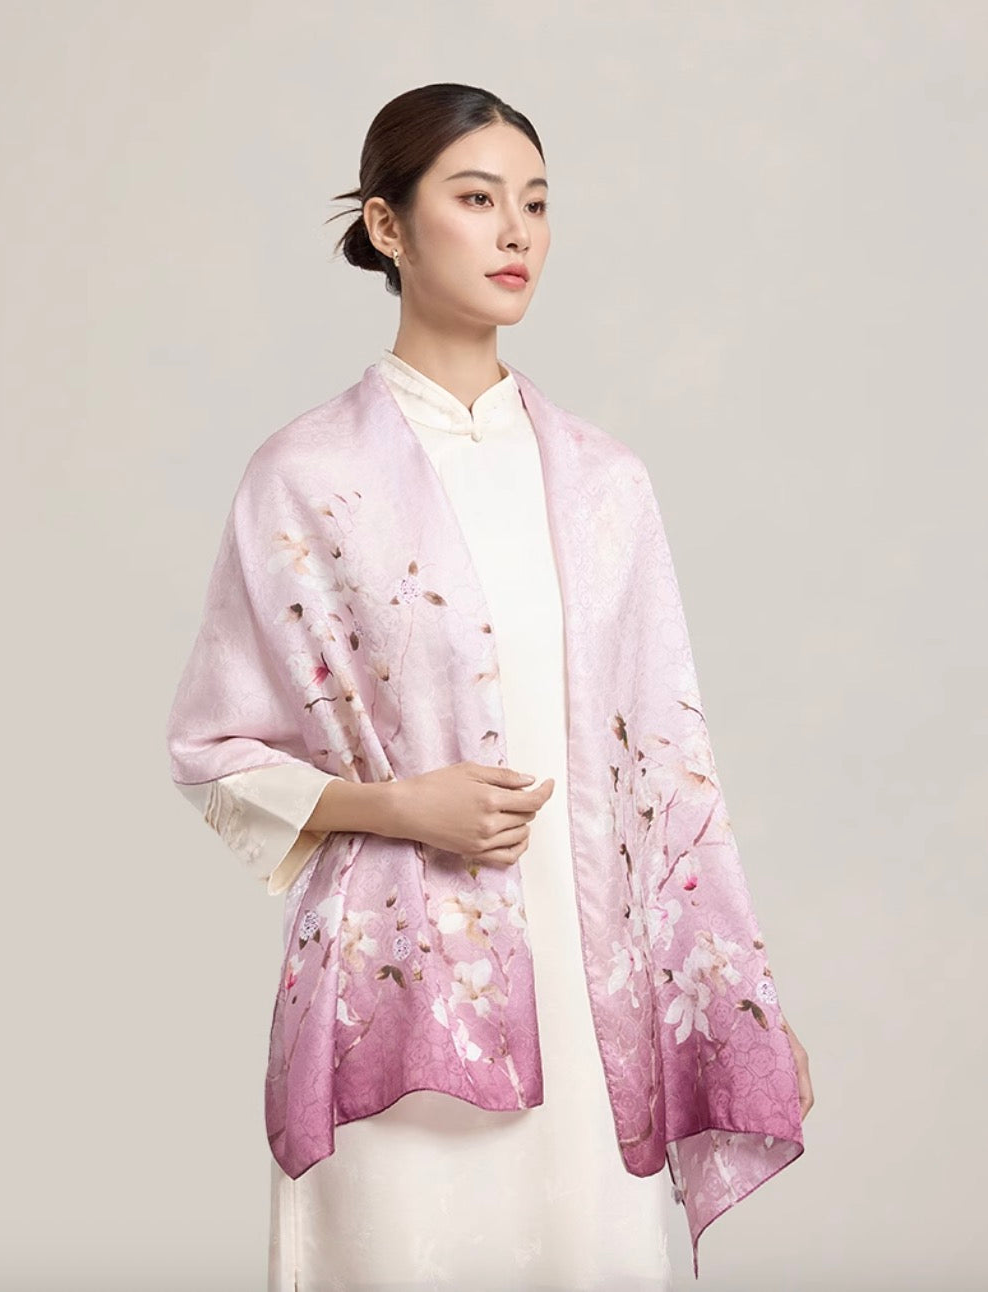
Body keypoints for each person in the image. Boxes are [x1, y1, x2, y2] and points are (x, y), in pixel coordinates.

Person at [169, 82, 813, 1292]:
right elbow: (215, 751)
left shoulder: (605, 483)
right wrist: (396, 806)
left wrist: (736, 1004)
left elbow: (671, 773)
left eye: (535, 202)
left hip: (591, 985)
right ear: (387, 225)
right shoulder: (306, 476)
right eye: (475, 199)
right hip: (401, 985)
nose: (516, 231)